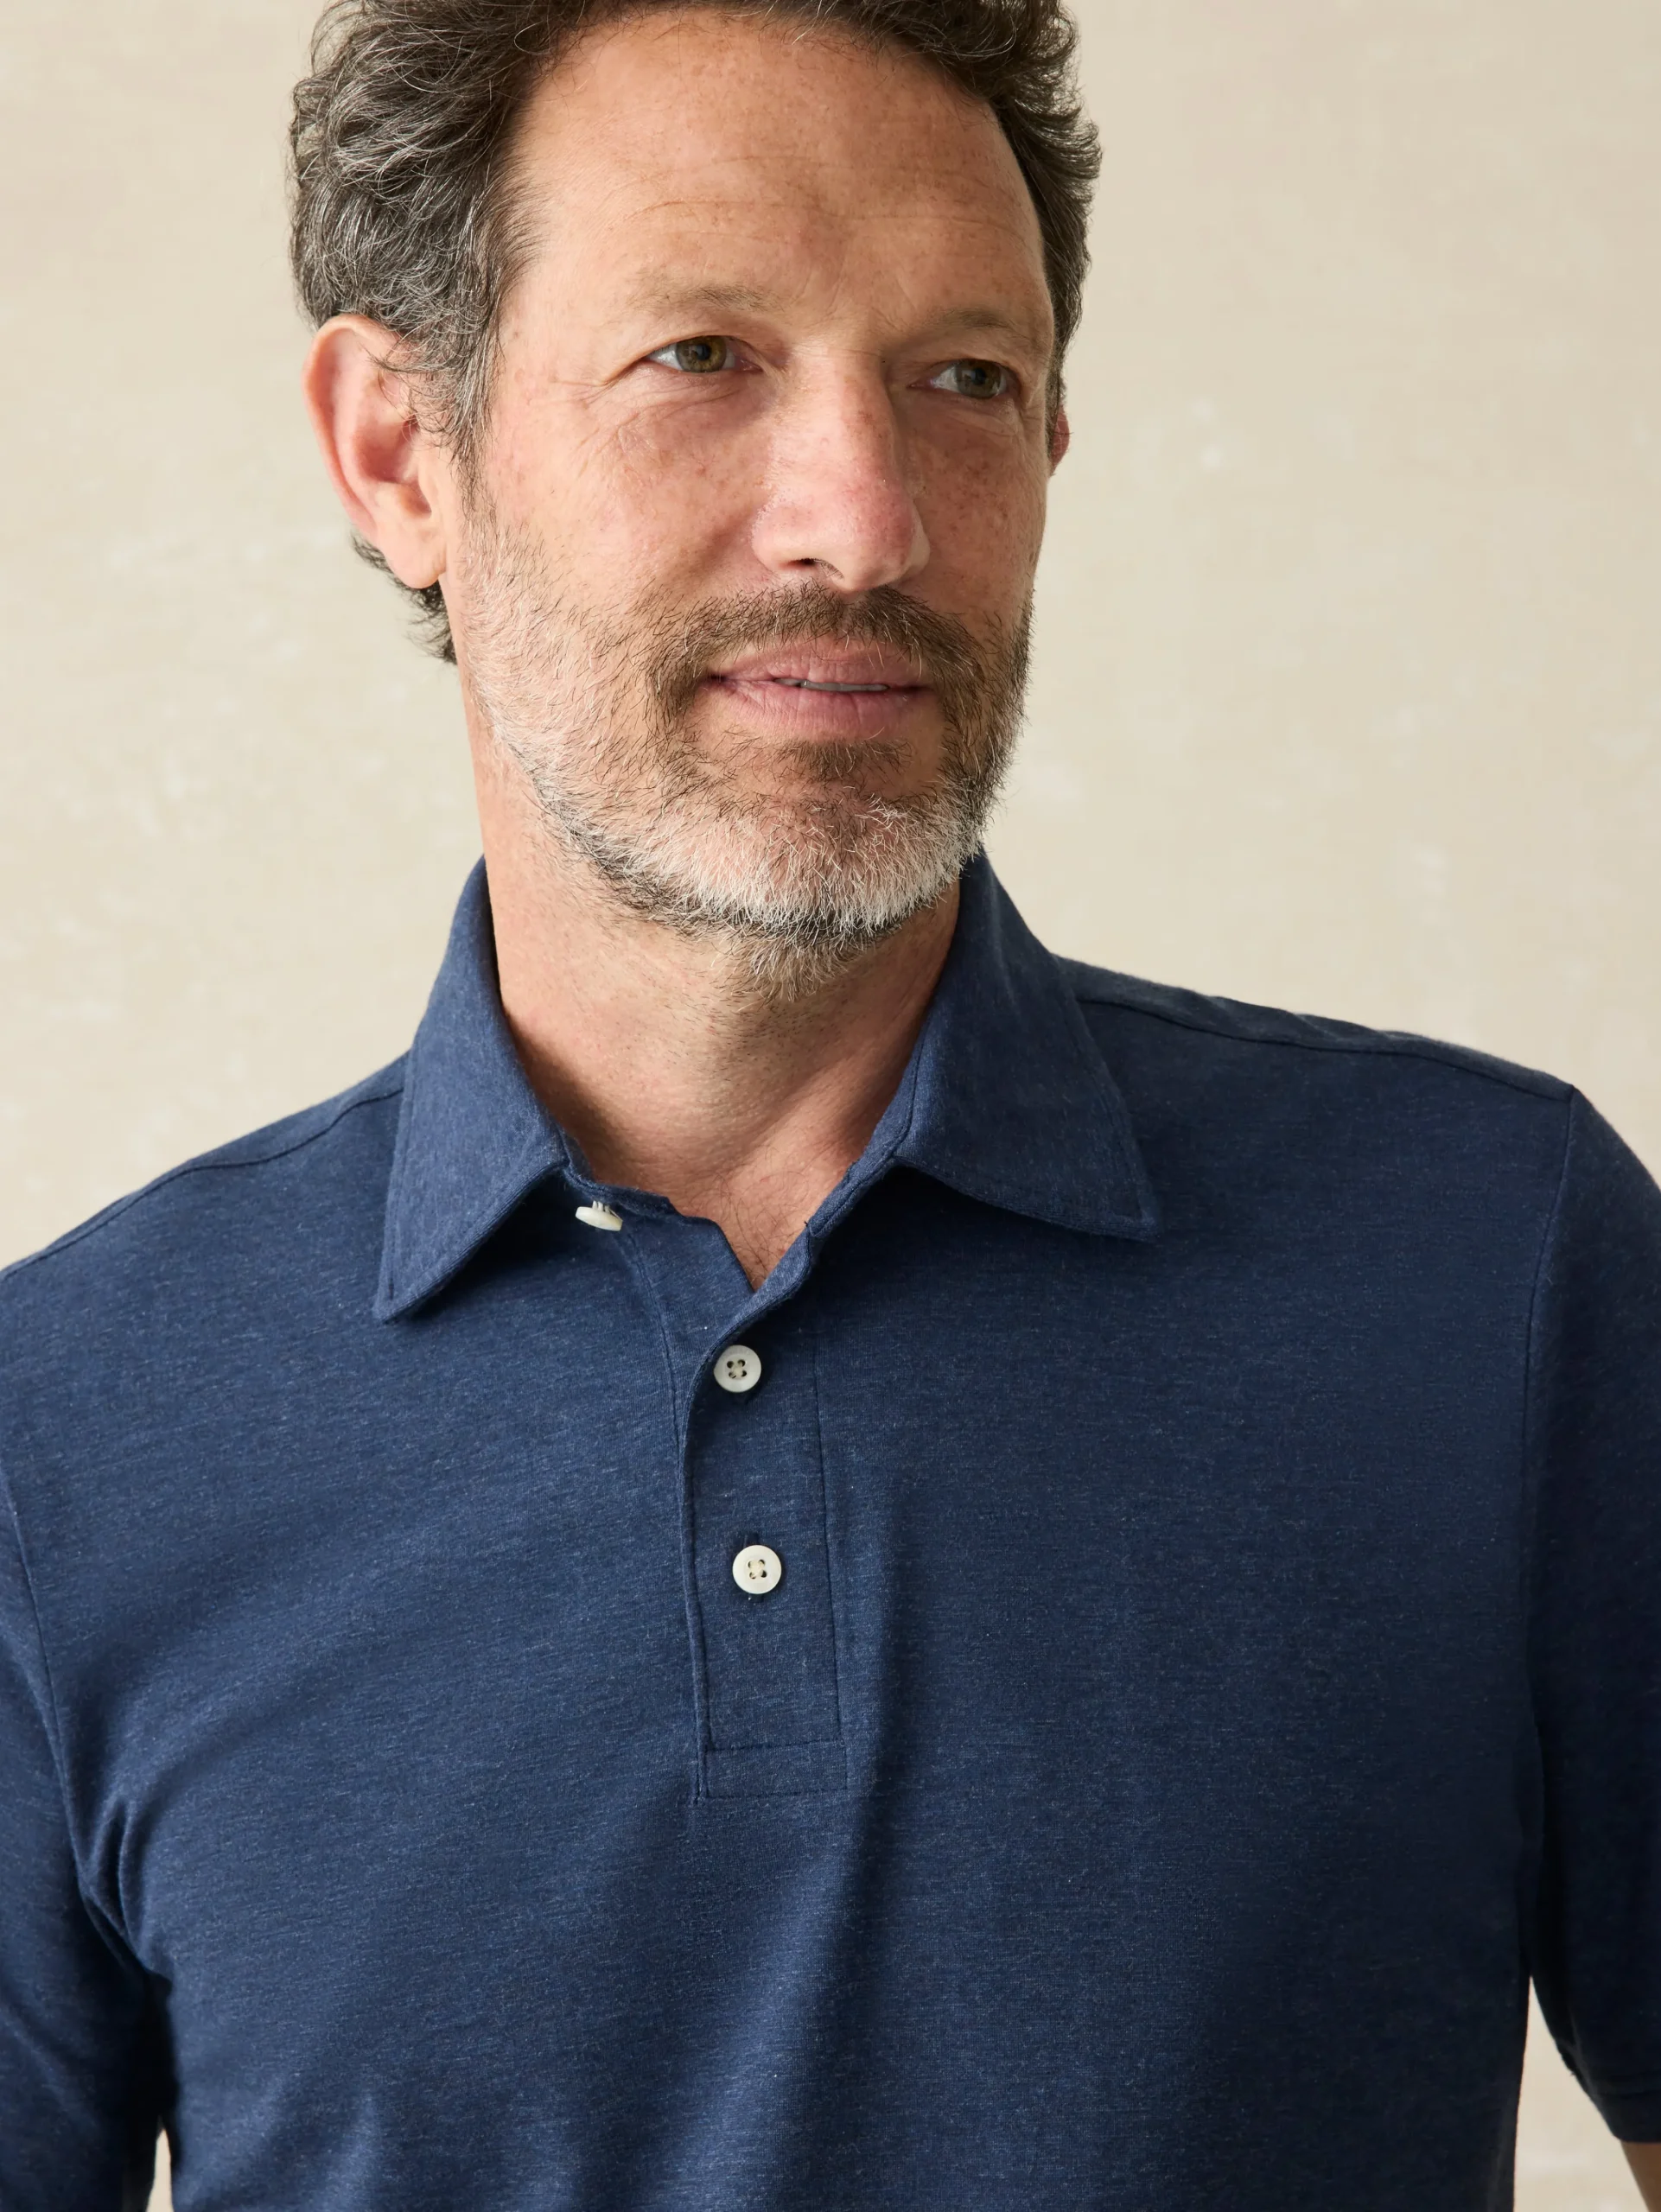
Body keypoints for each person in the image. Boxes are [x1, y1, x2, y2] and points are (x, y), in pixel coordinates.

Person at [1, 0, 1658, 2203]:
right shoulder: (63, 1432)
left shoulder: (1501, 1270)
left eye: (963, 378)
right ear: (402, 452)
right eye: (701, 356)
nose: (864, 520)